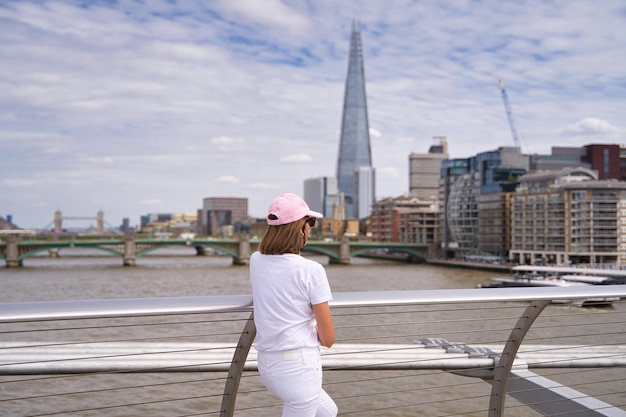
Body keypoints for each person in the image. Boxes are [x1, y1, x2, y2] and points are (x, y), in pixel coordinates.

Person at [250, 193, 338, 417]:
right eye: (310, 222)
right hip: (298, 367)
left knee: (328, 412)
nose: (311, 228)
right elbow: (328, 339)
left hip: (268, 365)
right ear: (300, 228)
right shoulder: (311, 270)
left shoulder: (256, 260)